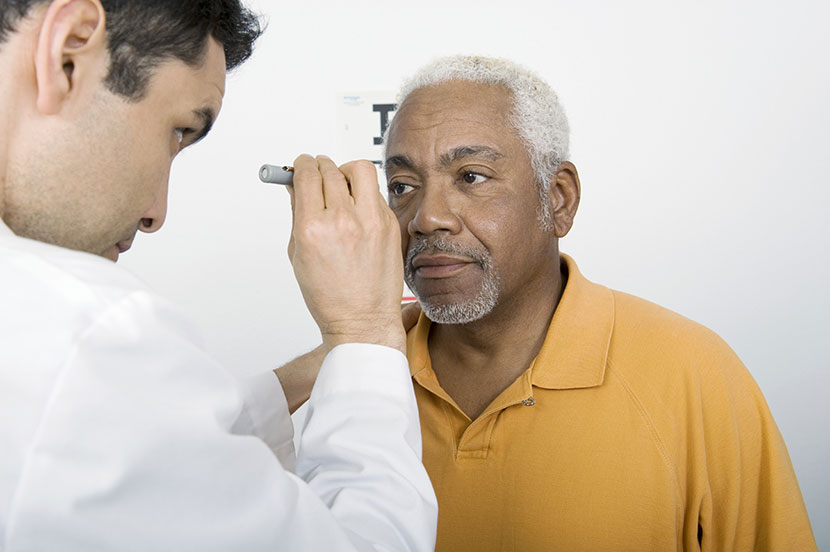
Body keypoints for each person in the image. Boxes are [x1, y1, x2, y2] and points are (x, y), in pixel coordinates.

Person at [0, 1, 436, 550]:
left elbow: (150, 448)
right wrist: (365, 333)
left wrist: (332, 363)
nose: (156, 213)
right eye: (178, 130)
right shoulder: (84, 338)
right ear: (68, 53)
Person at [376, 55, 816, 551]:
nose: (426, 218)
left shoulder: (693, 372)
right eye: (402, 187)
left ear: (558, 199)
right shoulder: (362, 376)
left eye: (471, 177)